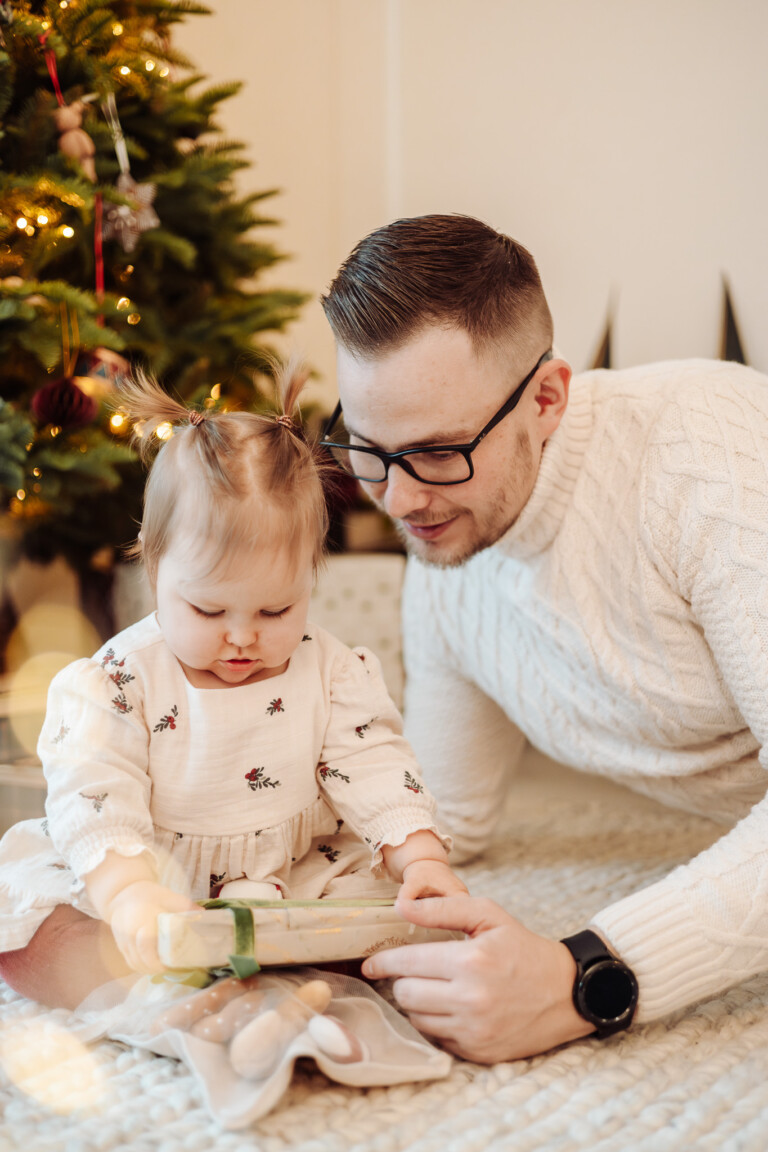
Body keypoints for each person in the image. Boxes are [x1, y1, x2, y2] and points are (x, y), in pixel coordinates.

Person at [319, 212, 768, 1063]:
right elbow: (440, 815)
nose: (401, 501)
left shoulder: (707, 453)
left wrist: (582, 976)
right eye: (368, 450)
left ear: (548, 398)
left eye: (442, 451)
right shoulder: (446, 552)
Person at [0, 365, 466, 1012]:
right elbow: (94, 789)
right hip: (147, 877)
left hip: (285, 880)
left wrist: (420, 861)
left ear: (309, 574)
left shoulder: (330, 672)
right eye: (210, 613)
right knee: (26, 922)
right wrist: (128, 891)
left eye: (275, 611)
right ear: (155, 565)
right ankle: (154, 973)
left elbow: (376, 764)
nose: (242, 638)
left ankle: (271, 969)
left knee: (384, 921)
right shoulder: (117, 682)